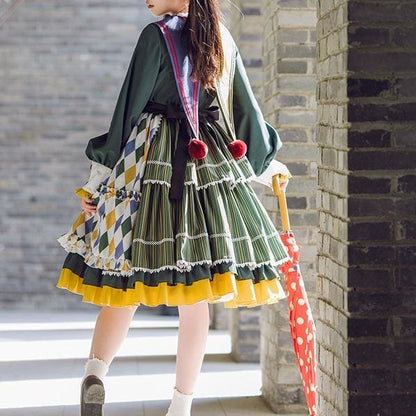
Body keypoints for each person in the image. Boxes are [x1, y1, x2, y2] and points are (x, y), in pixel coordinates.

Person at [56, 0, 292, 415]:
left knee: (124, 277)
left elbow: (127, 109)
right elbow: (244, 110)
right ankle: (180, 406)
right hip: (207, 161)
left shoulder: (155, 37)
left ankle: (95, 373)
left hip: (148, 159)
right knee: (195, 296)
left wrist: (97, 180)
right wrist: (268, 165)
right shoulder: (222, 37)